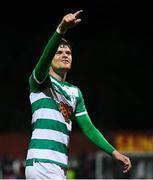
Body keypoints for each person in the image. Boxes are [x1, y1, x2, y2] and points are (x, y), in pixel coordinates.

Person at [25, 10, 132, 179]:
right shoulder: (40, 82)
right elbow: (44, 58)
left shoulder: (75, 92)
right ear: (51, 60)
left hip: (60, 165)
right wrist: (61, 30)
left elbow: (89, 128)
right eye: (59, 53)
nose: (65, 55)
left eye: (68, 53)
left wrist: (114, 153)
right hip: (41, 162)